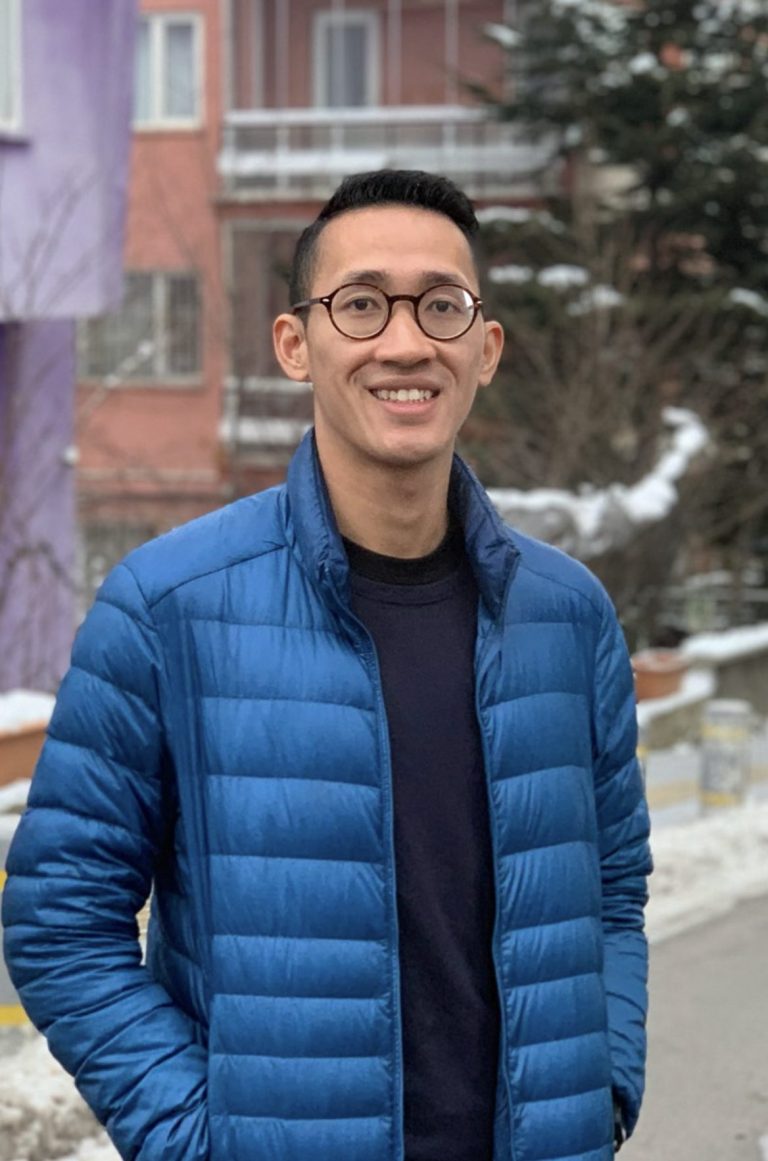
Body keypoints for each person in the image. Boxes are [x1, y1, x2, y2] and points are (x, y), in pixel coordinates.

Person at [2, 169, 652, 1161]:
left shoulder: (568, 617)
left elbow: (611, 889)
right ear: (295, 343)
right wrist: (197, 1137)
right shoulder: (170, 607)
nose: (406, 342)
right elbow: (60, 919)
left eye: (442, 305)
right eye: (361, 304)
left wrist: (603, 1088)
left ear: (485, 348)